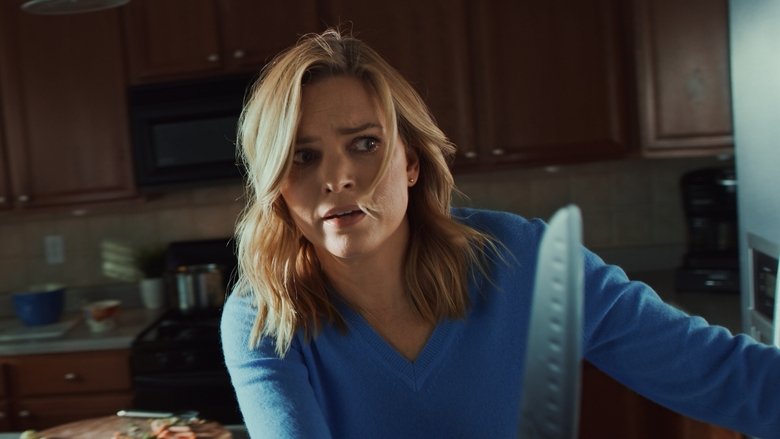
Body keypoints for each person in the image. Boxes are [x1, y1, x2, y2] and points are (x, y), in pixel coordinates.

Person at [220, 28, 780, 439]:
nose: (337, 177)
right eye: (303, 156)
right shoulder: (263, 320)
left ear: (410, 162)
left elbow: (728, 378)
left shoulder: (527, 262)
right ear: (276, 187)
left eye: (365, 144)